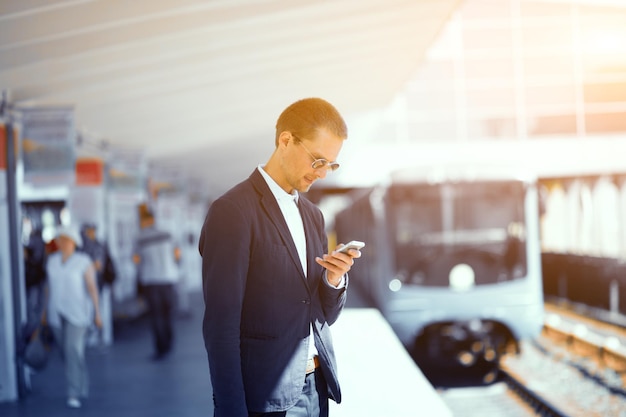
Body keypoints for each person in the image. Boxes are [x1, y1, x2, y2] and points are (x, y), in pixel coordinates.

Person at [198, 97, 362, 417]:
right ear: (285, 140)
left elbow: (322, 315)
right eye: (318, 161)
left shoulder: (313, 216)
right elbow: (221, 326)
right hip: (265, 396)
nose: (323, 174)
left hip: (317, 389)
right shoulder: (232, 212)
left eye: (331, 164)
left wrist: (333, 279)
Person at [43, 224, 102, 409]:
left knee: (72, 349)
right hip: (56, 313)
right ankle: (81, 381)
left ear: (74, 242)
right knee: (67, 352)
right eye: (60, 239)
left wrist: (97, 313)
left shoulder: (83, 261)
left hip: (78, 314)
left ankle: (74, 392)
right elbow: (48, 289)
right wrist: (43, 313)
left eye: (67, 240)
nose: (63, 243)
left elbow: (92, 288)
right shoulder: (52, 261)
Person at [133, 204, 180, 361]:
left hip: (151, 281)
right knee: (167, 312)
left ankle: (161, 348)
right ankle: (169, 342)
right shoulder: (167, 234)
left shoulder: (140, 238)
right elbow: (177, 254)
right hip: (168, 279)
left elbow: (136, 260)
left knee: (156, 315)